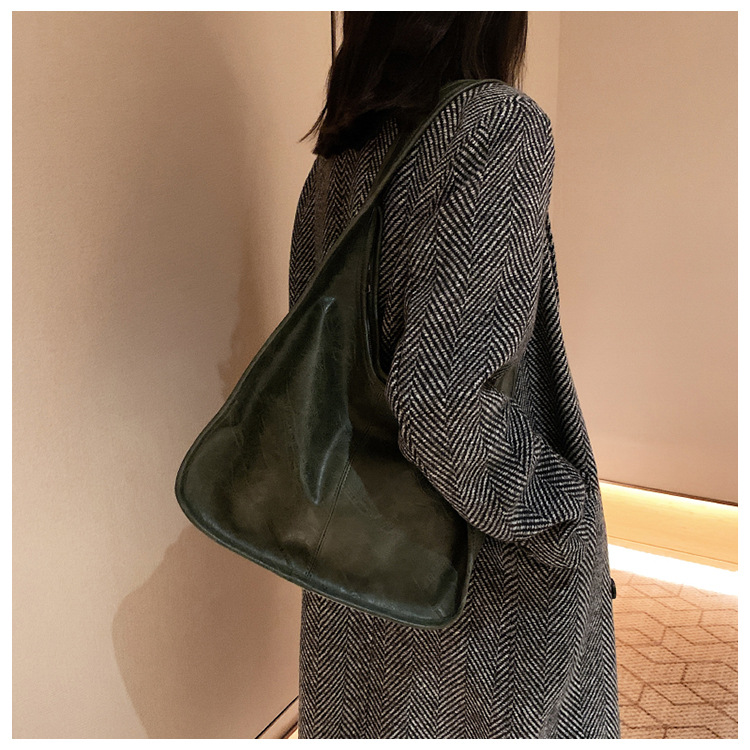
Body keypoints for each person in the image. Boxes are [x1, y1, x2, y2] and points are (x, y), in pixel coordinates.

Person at [288, 11, 621, 740]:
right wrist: (558, 511)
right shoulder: (494, 127)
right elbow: (444, 408)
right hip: (481, 595)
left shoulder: (339, 160)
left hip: (359, 562)